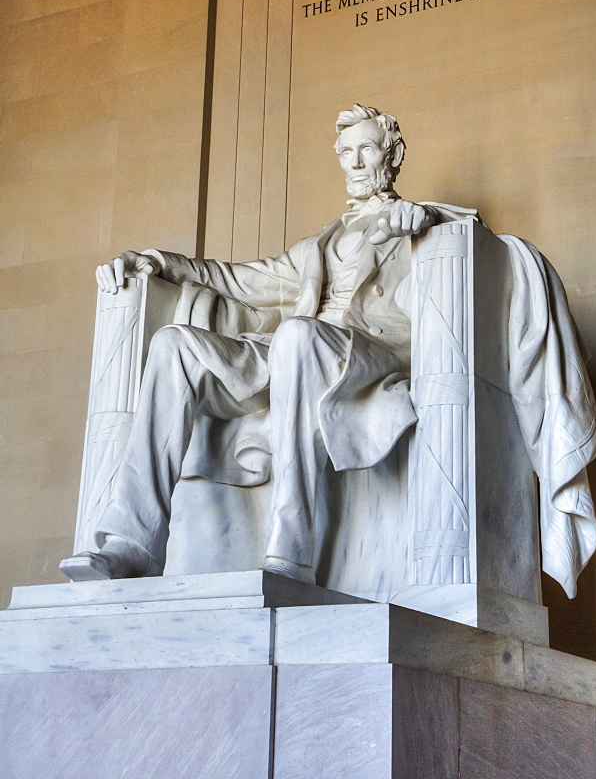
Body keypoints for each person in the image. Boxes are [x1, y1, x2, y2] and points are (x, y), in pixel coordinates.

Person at [60, 104, 472, 583]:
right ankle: (133, 543)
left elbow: (474, 247)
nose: (355, 163)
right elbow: (236, 279)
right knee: (174, 344)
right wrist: (154, 261)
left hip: (367, 359)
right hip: (293, 354)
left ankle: (291, 546)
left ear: (392, 153)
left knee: (297, 336)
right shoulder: (317, 247)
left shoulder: (424, 225)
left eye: (367, 149)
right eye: (346, 152)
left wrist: (424, 221)